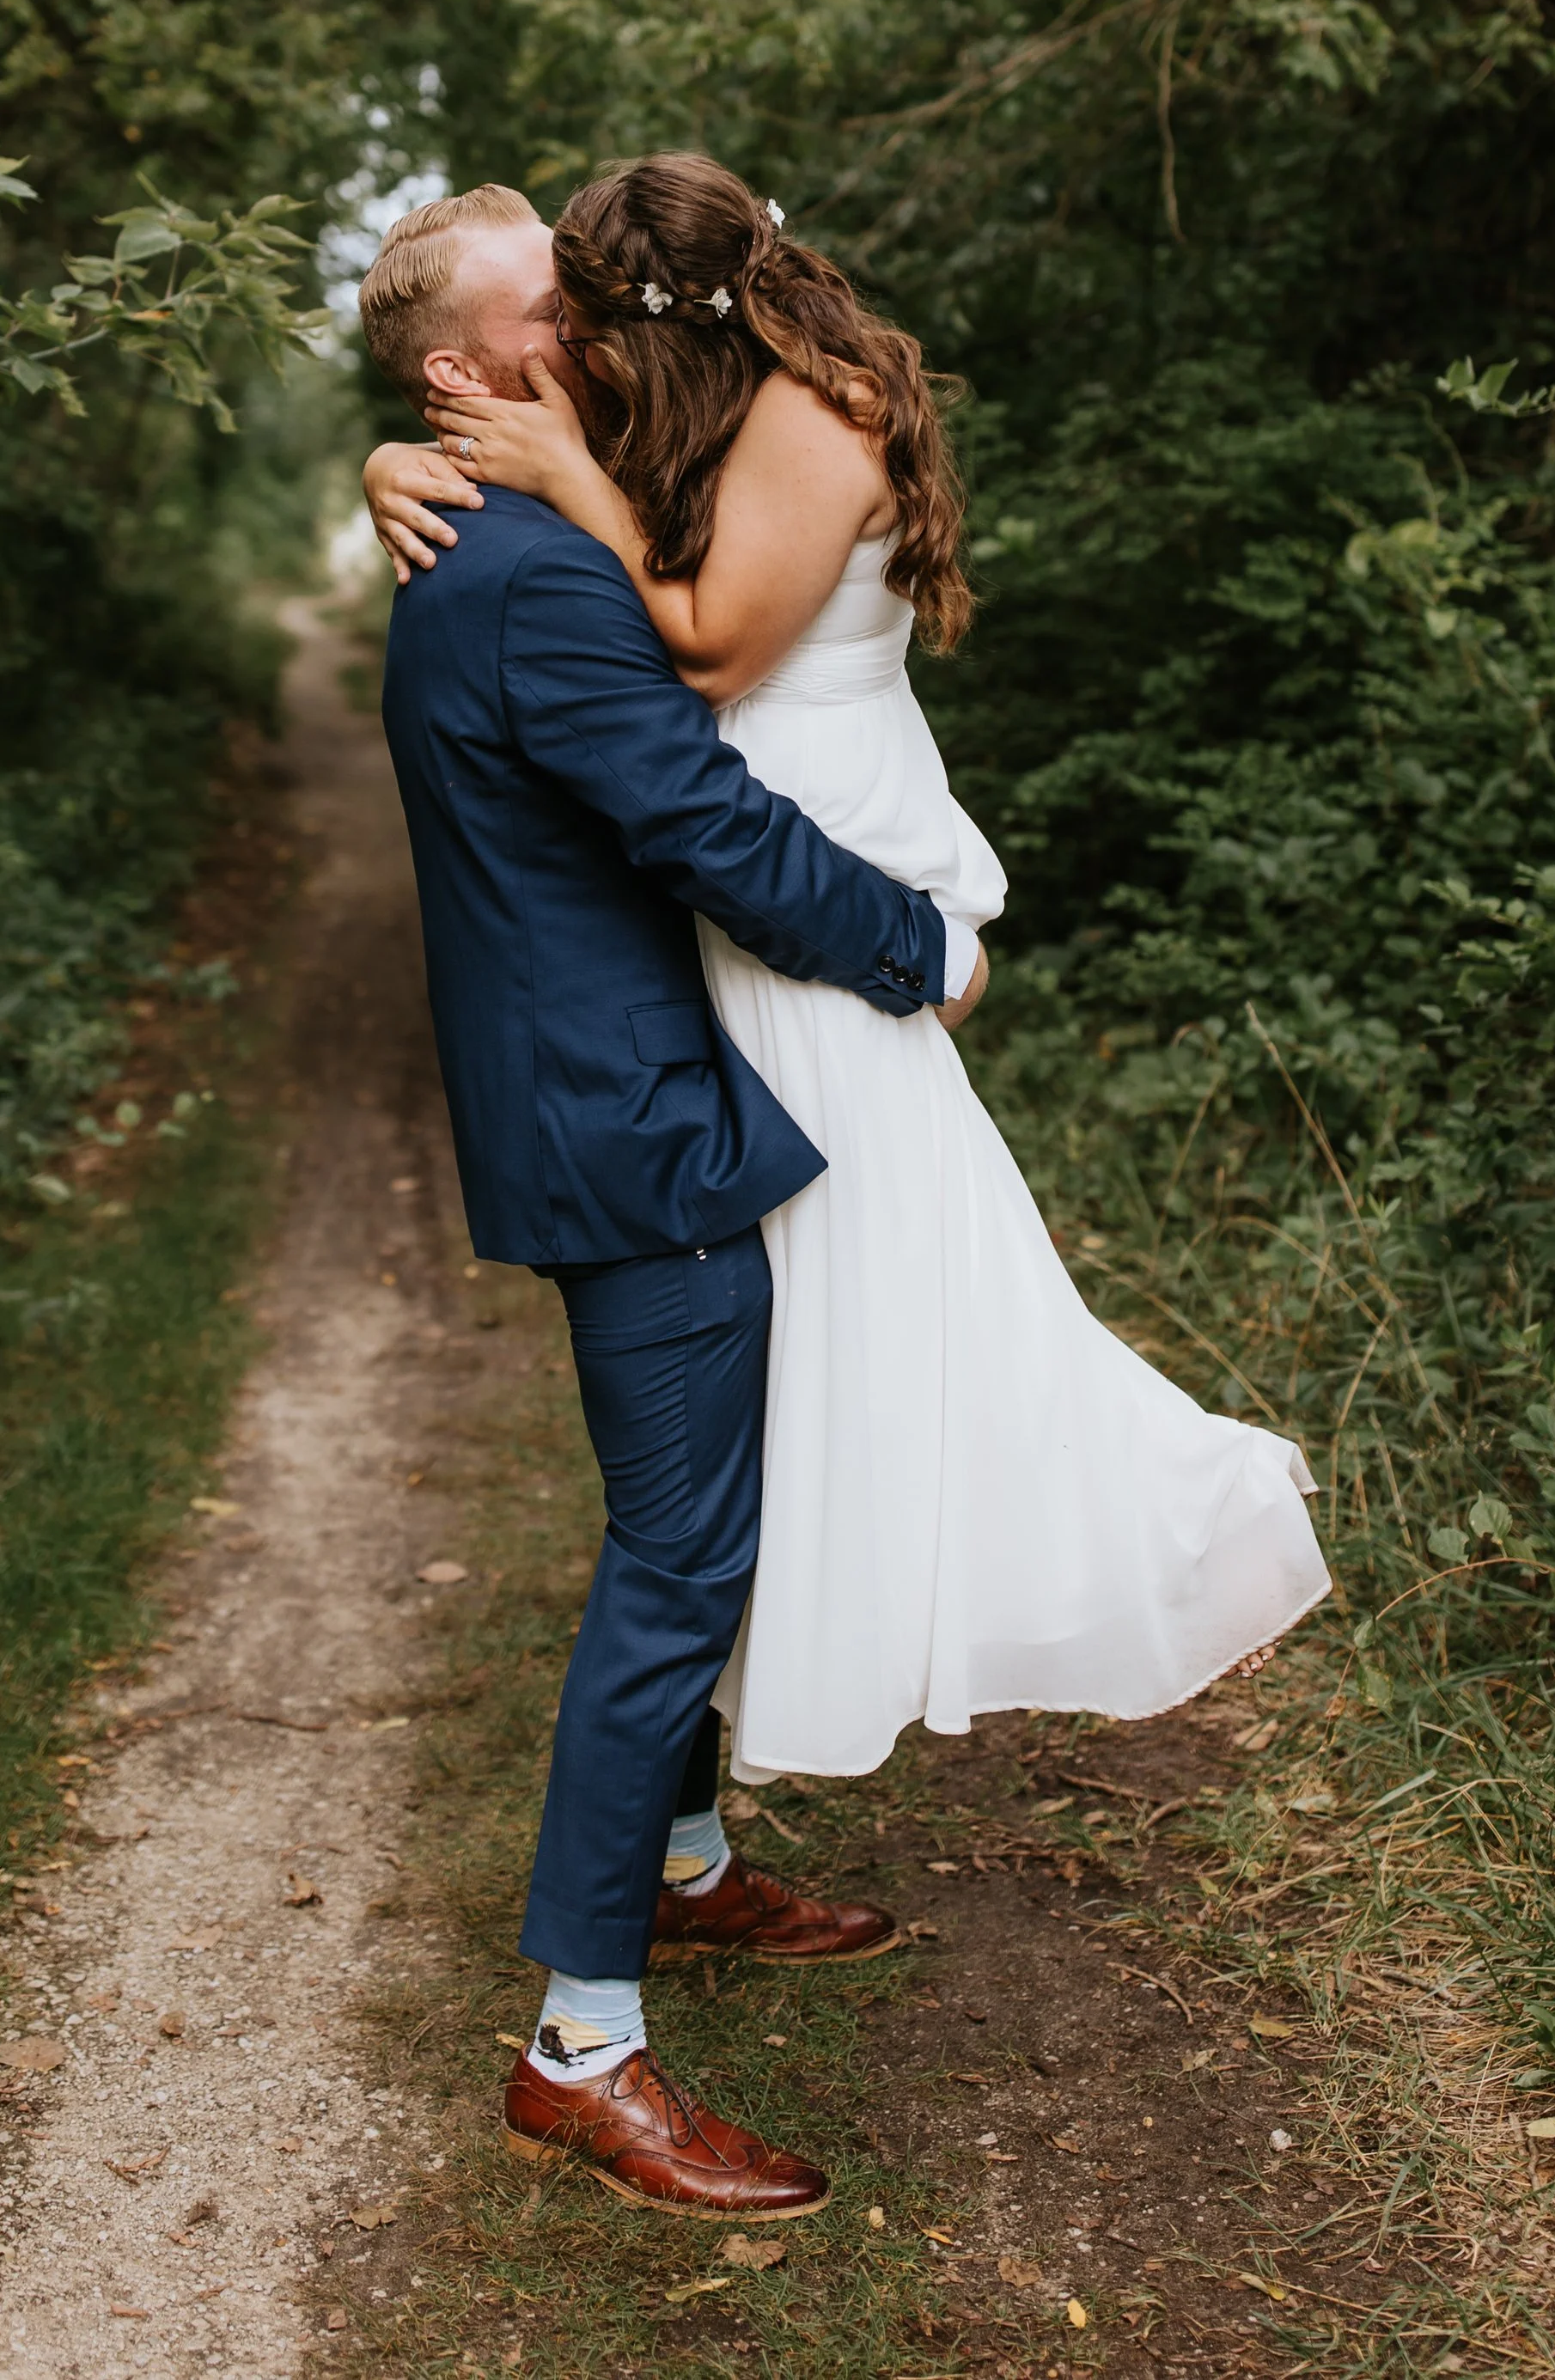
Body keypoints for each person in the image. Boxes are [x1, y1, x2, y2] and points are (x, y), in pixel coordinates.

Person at [364, 153, 1329, 1806]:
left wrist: (562, 482)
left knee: (920, 1299)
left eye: (591, 312)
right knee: (819, 1344)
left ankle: (1161, 1539)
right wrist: (395, 460)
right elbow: (537, 512)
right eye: (559, 317)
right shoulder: (674, 410)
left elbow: (717, 649)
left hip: (819, 892)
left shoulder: (810, 414)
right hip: (746, 921)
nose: (580, 345)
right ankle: (706, 1795)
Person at [357, 184, 990, 2223]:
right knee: (678, 1568)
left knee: (698, 1528)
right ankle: (581, 2051)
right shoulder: (529, 573)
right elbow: (701, 819)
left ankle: (691, 1871)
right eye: (562, 303)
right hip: (626, 1121)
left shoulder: (522, 530)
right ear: (465, 373)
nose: (609, 316)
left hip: (612, 1090)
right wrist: (918, 949)